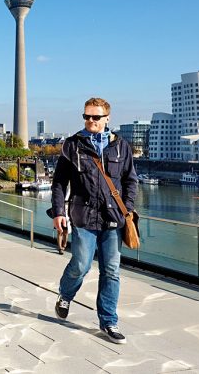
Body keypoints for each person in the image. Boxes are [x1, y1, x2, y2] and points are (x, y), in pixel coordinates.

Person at [50, 97, 137, 344]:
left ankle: (108, 321)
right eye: (86, 116)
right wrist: (59, 212)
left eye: (95, 117)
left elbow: (131, 180)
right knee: (81, 265)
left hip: (112, 219)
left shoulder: (121, 146)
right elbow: (58, 182)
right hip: (83, 216)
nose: (90, 121)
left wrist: (127, 209)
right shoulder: (72, 145)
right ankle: (65, 295)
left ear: (107, 118)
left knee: (111, 270)